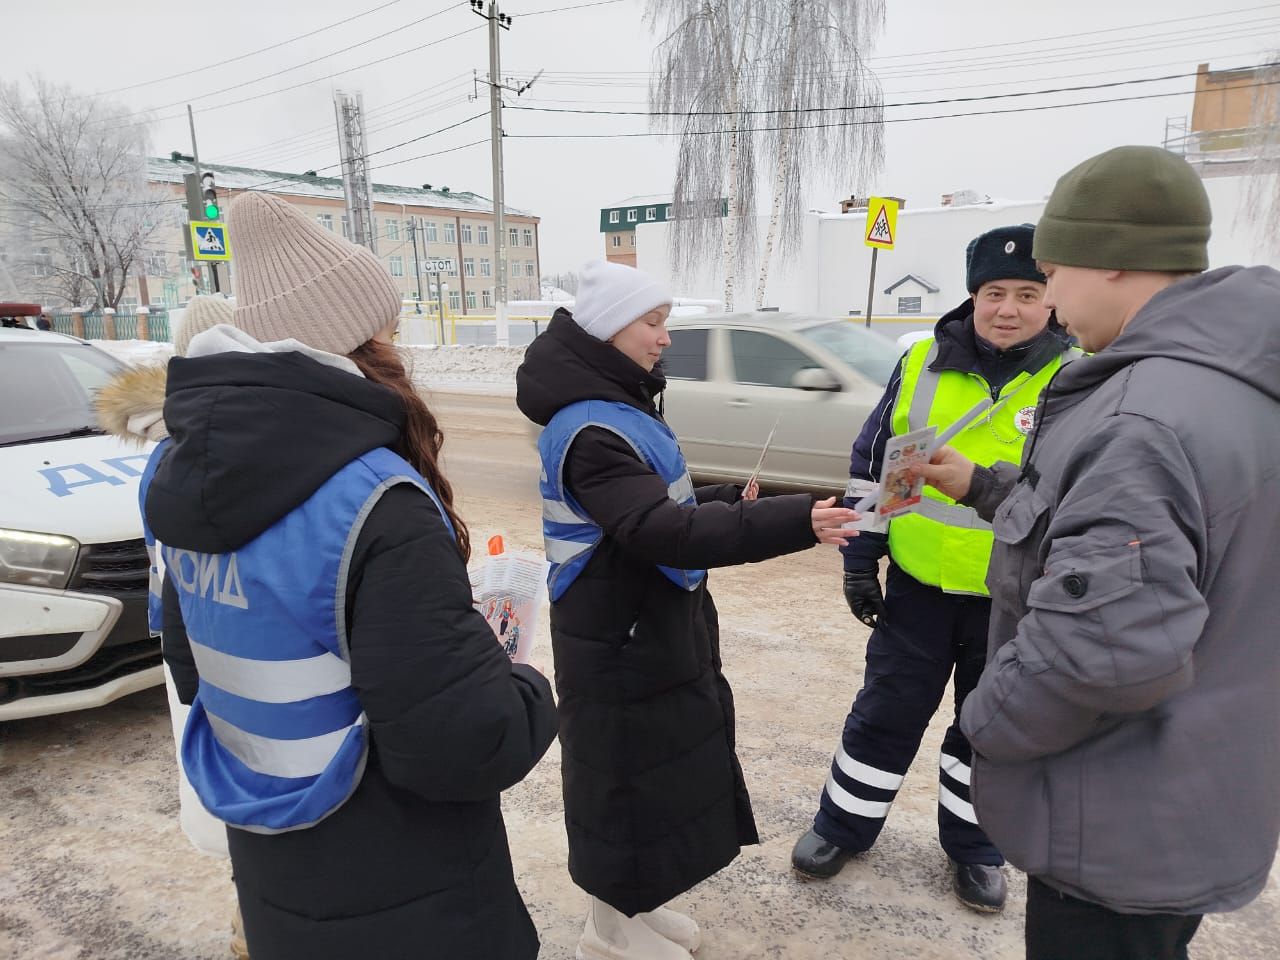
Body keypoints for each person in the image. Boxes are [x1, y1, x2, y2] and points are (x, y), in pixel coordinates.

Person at [142, 193, 559, 960]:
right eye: (391, 330)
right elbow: (463, 742)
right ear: (359, 343)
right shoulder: (374, 502)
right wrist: (524, 686)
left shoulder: (181, 476)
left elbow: (190, 667)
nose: (403, 349)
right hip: (408, 896)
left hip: (276, 879)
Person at [917, 145, 1280, 960]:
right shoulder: (1233, 381)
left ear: (1111, 261)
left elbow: (1104, 650)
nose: (1049, 297)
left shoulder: (1141, 415)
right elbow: (1156, 541)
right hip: (1196, 783)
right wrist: (983, 486)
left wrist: (986, 720)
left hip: (1119, 812)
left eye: (1052, 271)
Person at [516, 260, 857, 960]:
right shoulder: (590, 430)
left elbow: (658, 507)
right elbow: (657, 532)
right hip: (613, 635)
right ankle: (607, 934)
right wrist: (799, 522)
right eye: (653, 322)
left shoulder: (620, 406)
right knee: (620, 786)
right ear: (611, 330)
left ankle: (631, 913)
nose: (664, 338)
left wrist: (728, 499)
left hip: (642, 623)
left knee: (655, 776)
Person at [790, 224, 1080, 914]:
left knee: (987, 729)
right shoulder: (921, 361)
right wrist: (862, 561)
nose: (1007, 308)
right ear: (973, 297)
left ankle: (976, 850)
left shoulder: (1076, 376)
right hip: (917, 591)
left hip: (1011, 601)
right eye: (992, 293)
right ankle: (843, 826)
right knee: (884, 715)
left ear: (1052, 300)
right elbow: (874, 465)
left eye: (1027, 293)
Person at [95, 294, 248, 958]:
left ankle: (252, 908)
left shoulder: (166, 443)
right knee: (246, 769)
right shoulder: (206, 444)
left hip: (180, 630)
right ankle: (257, 915)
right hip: (218, 628)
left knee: (217, 767)